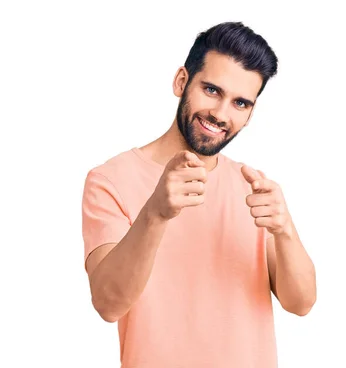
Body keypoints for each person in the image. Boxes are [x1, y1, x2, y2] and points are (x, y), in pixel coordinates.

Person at [81, 21, 316, 368]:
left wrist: (285, 231)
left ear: (250, 114)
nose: (221, 114)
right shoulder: (110, 180)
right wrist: (155, 213)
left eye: (240, 103)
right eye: (211, 90)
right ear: (181, 82)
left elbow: (301, 303)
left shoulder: (253, 188)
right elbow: (108, 303)